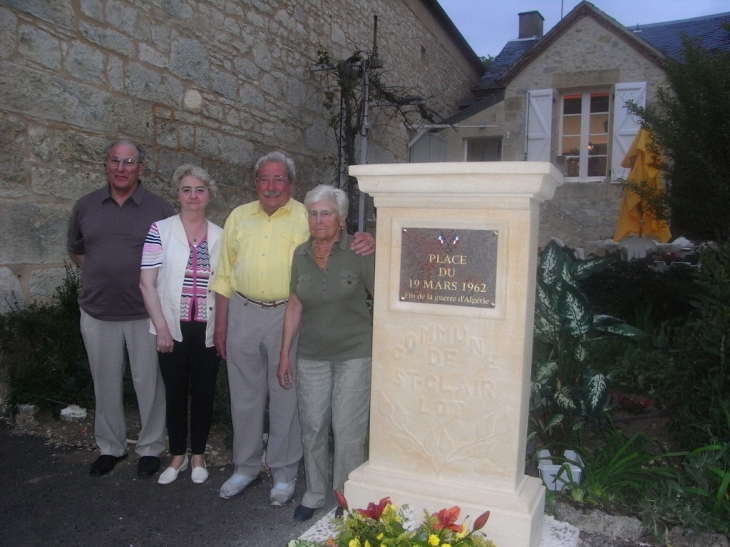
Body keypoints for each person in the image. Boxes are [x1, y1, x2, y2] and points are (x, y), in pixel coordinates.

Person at [211, 151, 374, 505]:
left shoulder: (306, 214)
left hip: (287, 313)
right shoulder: (238, 217)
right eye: (264, 179)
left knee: (287, 396)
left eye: (278, 179)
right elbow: (223, 276)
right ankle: (246, 467)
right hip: (242, 311)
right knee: (244, 396)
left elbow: (340, 240)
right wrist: (220, 326)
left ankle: (284, 473)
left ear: (291, 183)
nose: (271, 186)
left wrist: (370, 239)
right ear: (255, 183)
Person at [67, 139, 174, 477]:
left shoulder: (159, 209)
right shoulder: (86, 206)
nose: (121, 168)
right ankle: (110, 447)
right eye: (115, 161)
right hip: (98, 312)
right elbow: (78, 251)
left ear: (141, 168)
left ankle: (151, 448)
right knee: (105, 382)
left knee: (150, 384)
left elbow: (171, 259)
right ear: (106, 164)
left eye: (129, 162)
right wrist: (107, 272)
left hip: (145, 314)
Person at [277, 185, 375, 522]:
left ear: (342, 218)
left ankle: (347, 496)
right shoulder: (300, 254)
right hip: (311, 355)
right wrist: (284, 354)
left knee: (348, 429)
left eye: (326, 213)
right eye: (314, 213)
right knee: (313, 425)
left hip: (354, 353)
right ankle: (315, 492)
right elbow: (294, 304)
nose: (319, 220)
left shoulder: (361, 253)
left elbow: (384, 295)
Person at [139, 165, 223, 485]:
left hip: (207, 326)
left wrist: (222, 330)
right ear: (177, 194)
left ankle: (199, 456)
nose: (192, 195)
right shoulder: (159, 230)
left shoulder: (220, 235)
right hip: (170, 326)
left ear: (209, 196)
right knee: (175, 391)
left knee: (203, 391)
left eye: (199, 189)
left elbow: (225, 286)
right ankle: (177, 457)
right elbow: (147, 283)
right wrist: (161, 327)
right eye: (186, 189)